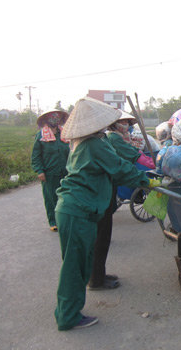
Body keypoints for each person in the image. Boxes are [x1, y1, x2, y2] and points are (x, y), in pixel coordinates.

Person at [54, 97, 161, 330]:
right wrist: (148, 182)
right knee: (75, 265)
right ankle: (68, 316)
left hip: (79, 208)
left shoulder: (86, 142)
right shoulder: (94, 144)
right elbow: (120, 168)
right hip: (77, 209)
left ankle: (71, 308)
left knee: (80, 263)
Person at [88, 110, 155, 290]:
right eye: (122, 122)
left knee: (103, 237)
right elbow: (119, 166)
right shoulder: (102, 141)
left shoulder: (103, 139)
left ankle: (98, 275)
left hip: (103, 190)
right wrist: (147, 180)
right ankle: (95, 279)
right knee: (100, 238)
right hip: (98, 193)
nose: (125, 125)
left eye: (127, 122)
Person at [31, 109, 70, 232]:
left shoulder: (64, 134)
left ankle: (65, 219)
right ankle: (53, 221)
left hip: (66, 171)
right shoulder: (41, 136)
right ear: (47, 119)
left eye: (57, 117)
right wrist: (39, 171)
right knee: (51, 198)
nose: (55, 118)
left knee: (66, 196)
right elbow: (36, 156)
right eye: (52, 117)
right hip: (49, 173)